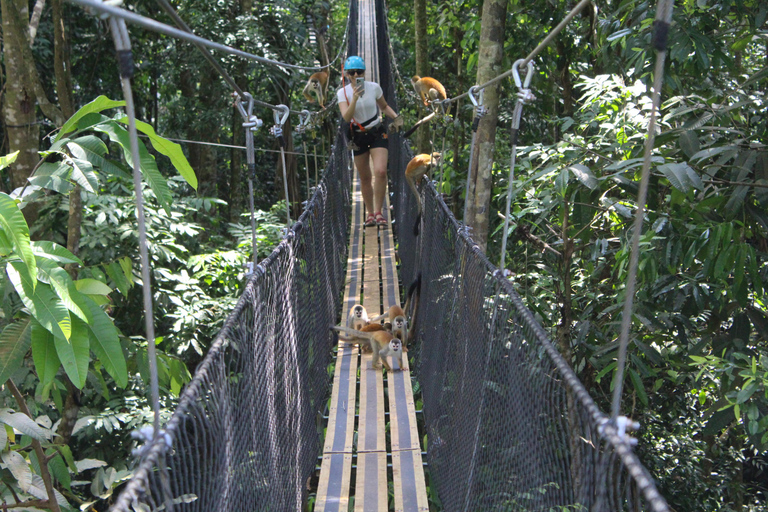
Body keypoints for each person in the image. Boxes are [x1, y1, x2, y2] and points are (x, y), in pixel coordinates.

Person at [337, 55, 403, 227]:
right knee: (365, 177)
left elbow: (384, 106)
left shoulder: (374, 88)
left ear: (364, 73)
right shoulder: (343, 93)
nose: (356, 75)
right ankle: (370, 213)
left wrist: (396, 118)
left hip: (376, 131)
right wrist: (355, 99)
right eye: (352, 73)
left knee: (380, 171)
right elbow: (346, 117)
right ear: (347, 75)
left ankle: (379, 212)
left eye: (360, 72)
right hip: (357, 136)